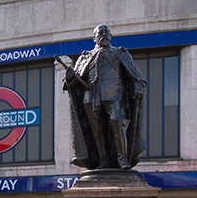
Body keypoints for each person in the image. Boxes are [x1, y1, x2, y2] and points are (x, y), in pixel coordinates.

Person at [63, 24, 147, 170]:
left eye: (106, 32)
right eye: (100, 33)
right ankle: (102, 160)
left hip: (114, 95)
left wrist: (138, 86)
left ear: (111, 36)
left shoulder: (120, 53)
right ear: (94, 38)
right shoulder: (85, 57)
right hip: (90, 97)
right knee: (96, 130)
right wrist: (70, 77)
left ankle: (122, 159)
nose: (104, 35)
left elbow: (136, 76)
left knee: (118, 125)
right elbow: (73, 83)